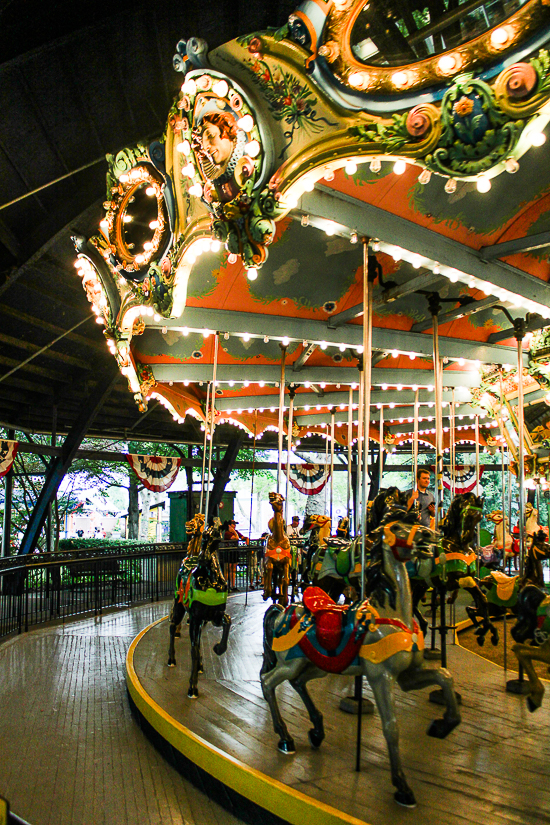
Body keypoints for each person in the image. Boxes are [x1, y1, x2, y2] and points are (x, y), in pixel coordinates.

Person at [223, 519, 245, 591]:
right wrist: (235, 532)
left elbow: (242, 537)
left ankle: (233, 585)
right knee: (227, 569)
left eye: (235, 524)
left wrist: (246, 539)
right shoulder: (227, 533)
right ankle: (226, 584)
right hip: (228, 552)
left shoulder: (236, 532)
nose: (234, 526)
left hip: (234, 552)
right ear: (229, 525)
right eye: (233, 524)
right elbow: (236, 538)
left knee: (233, 569)